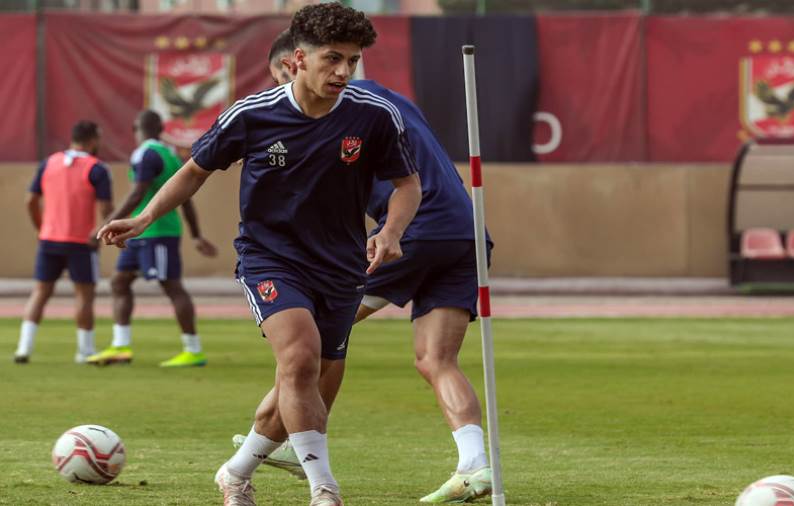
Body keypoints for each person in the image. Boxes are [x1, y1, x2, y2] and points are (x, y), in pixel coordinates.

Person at [97, 4, 421, 506]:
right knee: (299, 357)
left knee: (308, 376)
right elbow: (194, 171)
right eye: (332, 58)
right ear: (298, 59)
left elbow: (407, 184)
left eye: (352, 61)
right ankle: (325, 490)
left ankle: (236, 472)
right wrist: (144, 217)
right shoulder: (252, 114)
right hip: (270, 258)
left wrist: (390, 230)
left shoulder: (373, 116)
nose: (343, 71)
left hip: (341, 265)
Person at [231, 30, 492, 504]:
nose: (283, 93)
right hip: (466, 231)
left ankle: (270, 451)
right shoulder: (390, 101)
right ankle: (475, 463)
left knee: (309, 347)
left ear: (296, 64)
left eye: (281, 78)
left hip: (412, 233)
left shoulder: (352, 114)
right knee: (436, 359)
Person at [87, 110, 217, 367]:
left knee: (171, 285)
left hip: (157, 232)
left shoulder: (146, 154)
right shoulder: (171, 155)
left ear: (137, 129)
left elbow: (138, 193)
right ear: (161, 129)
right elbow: (186, 199)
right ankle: (121, 345)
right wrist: (196, 235)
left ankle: (193, 350)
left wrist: (107, 223)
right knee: (120, 282)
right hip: (142, 233)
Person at [14, 121, 113, 364]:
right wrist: (101, 231)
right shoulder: (97, 168)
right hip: (81, 242)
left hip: (49, 238)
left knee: (40, 292)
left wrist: (41, 227)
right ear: (93, 140)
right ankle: (84, 351)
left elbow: (30, 200)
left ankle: (24, 348)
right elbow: (106, 209)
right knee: (84, 295)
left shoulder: (49, 163)